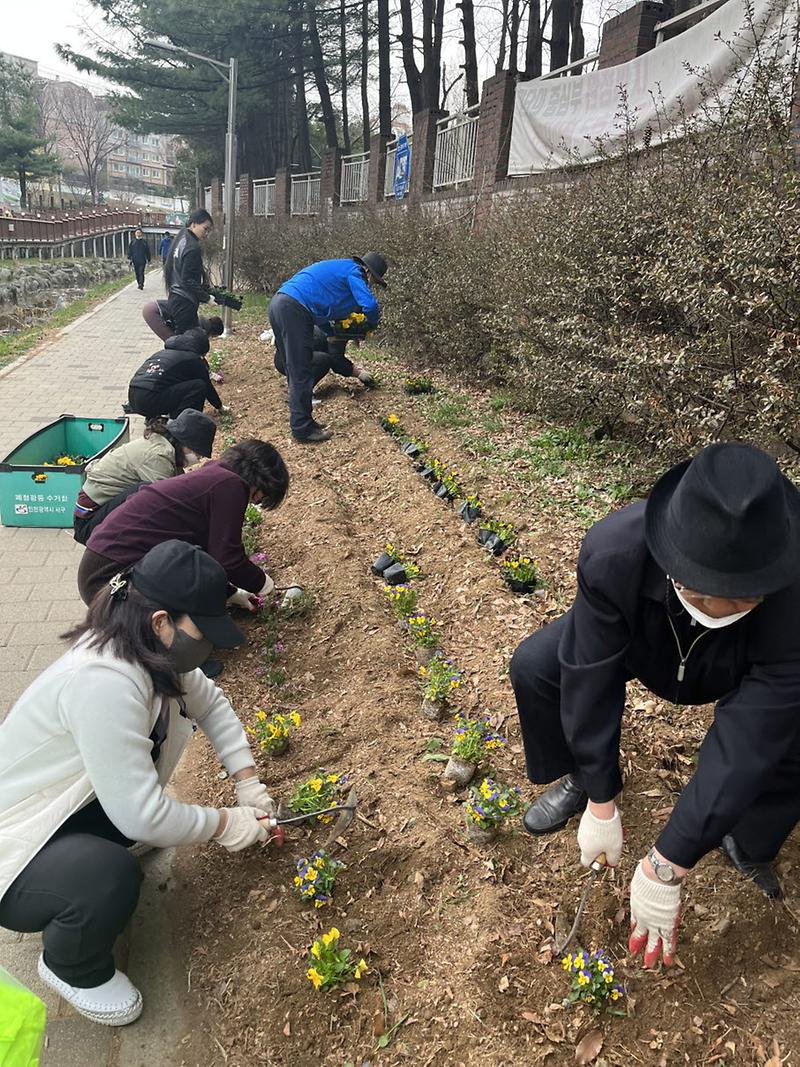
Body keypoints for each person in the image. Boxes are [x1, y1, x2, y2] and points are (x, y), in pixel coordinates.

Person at [509, 443, 800, 968]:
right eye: (709, 593)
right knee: (537, 666)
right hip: (649, 643)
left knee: (792, 732)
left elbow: (754, 731)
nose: (723, 607)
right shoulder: (615, 551)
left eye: (743, 598)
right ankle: (579, 776)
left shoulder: (794, 589)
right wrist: (602, 797)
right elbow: (589, 671)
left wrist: (668, 862)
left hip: (742, 663)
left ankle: (751, 839)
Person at [0, 540, 281, 1027]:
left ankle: (75, 865)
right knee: (107, 876)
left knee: (132, 827)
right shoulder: (102, 682)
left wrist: (248, 783)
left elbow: (211, 704)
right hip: (12, 841)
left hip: (62, 809)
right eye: (203, 629)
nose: (209, 645)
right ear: (161, 621)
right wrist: (225, 824)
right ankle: (72, 966)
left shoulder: (147, 648)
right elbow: (141, 813)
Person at [77, 438, 288, 610]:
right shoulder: (231, 487)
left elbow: (203, 554)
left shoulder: (215, 477)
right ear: (262, 480)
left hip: (99, 568)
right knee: (190, 633)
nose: (257, 502)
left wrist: (231, 593)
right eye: (262, 497)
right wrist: (266, 586)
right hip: (108, 581)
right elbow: (228, 558)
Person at [268, 253, 387, 444]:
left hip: (280, 303)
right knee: (301, 370)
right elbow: (370, 305)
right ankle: (302, 429)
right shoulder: (355, 273)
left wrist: (330, 332)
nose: (370, 285)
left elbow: (322, 309)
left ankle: (305, 421)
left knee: (295, 368)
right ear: (368, 271)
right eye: (373, 281)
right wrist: (370, 324)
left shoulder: (340, 269)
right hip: (294, 310)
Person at [73, 410, 217, 545]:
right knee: (151, 496)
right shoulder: (158, 455)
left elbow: (184, 490)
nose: (197, 459)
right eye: (196, 453)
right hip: (89, 523)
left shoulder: (166, 447)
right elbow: (169, 503)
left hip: (101, 511)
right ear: (182, 442)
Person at [126, 328, 227, 420]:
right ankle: (181, 423)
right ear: (200, 349)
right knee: (199, 386)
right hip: (150, 399)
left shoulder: (162, 353)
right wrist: (220, 406)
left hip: (133, 396)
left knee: (171, 382)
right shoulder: (193, 359)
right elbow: (208, 387)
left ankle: (155, 419)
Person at [161, 208, 214, 334]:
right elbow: (188, 279)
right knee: (186, 341)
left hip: (175, 296)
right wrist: (206, 297)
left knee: (180, 339)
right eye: (205, 228)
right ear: (194, 224)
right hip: (185, 301)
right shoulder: (192, 247)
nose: (206, 233)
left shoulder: (181, 238)